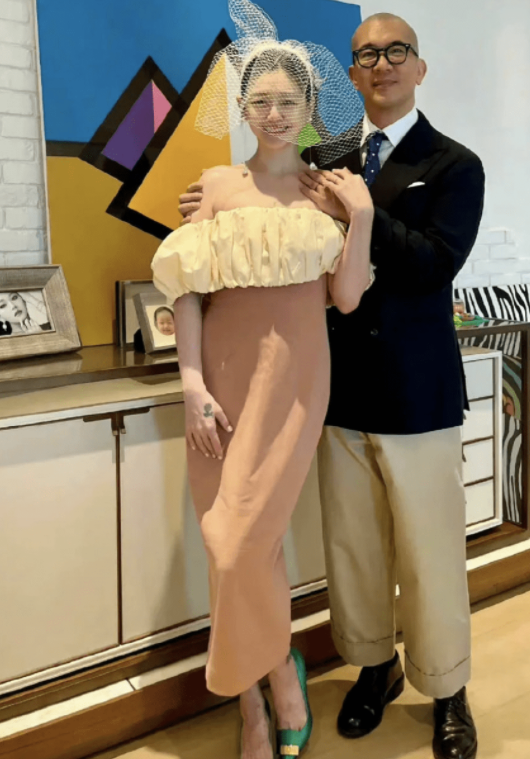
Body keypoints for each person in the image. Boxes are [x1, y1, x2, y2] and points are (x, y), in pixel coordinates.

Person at [180, 12, 485, 759]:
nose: (382, 64)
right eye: (367, 55)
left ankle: (447, 687)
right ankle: (374, 668)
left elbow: (434, 264)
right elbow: (263, 215)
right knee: (353, 548)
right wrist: (213, 211)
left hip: (415, 389)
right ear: (349, 76)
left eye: (397, 51)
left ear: (419, 67)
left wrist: (362, 212)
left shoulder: (453, 163)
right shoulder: (320, 161)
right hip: (334, 388)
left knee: (430, 549)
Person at [154, 3, 371, 756]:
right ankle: (265, 690)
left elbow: (347, 297)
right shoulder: (214, 186)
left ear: (309, 109)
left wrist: (361, 217)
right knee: (230, 545)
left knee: (248, 542)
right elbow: (187, 291)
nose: (274, 114)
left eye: (287, 101)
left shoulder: (325, 191)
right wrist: (190, 384)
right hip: (221, 380)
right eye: (260, 101)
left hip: (298, 382)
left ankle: (272, 681)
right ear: (242, 109)